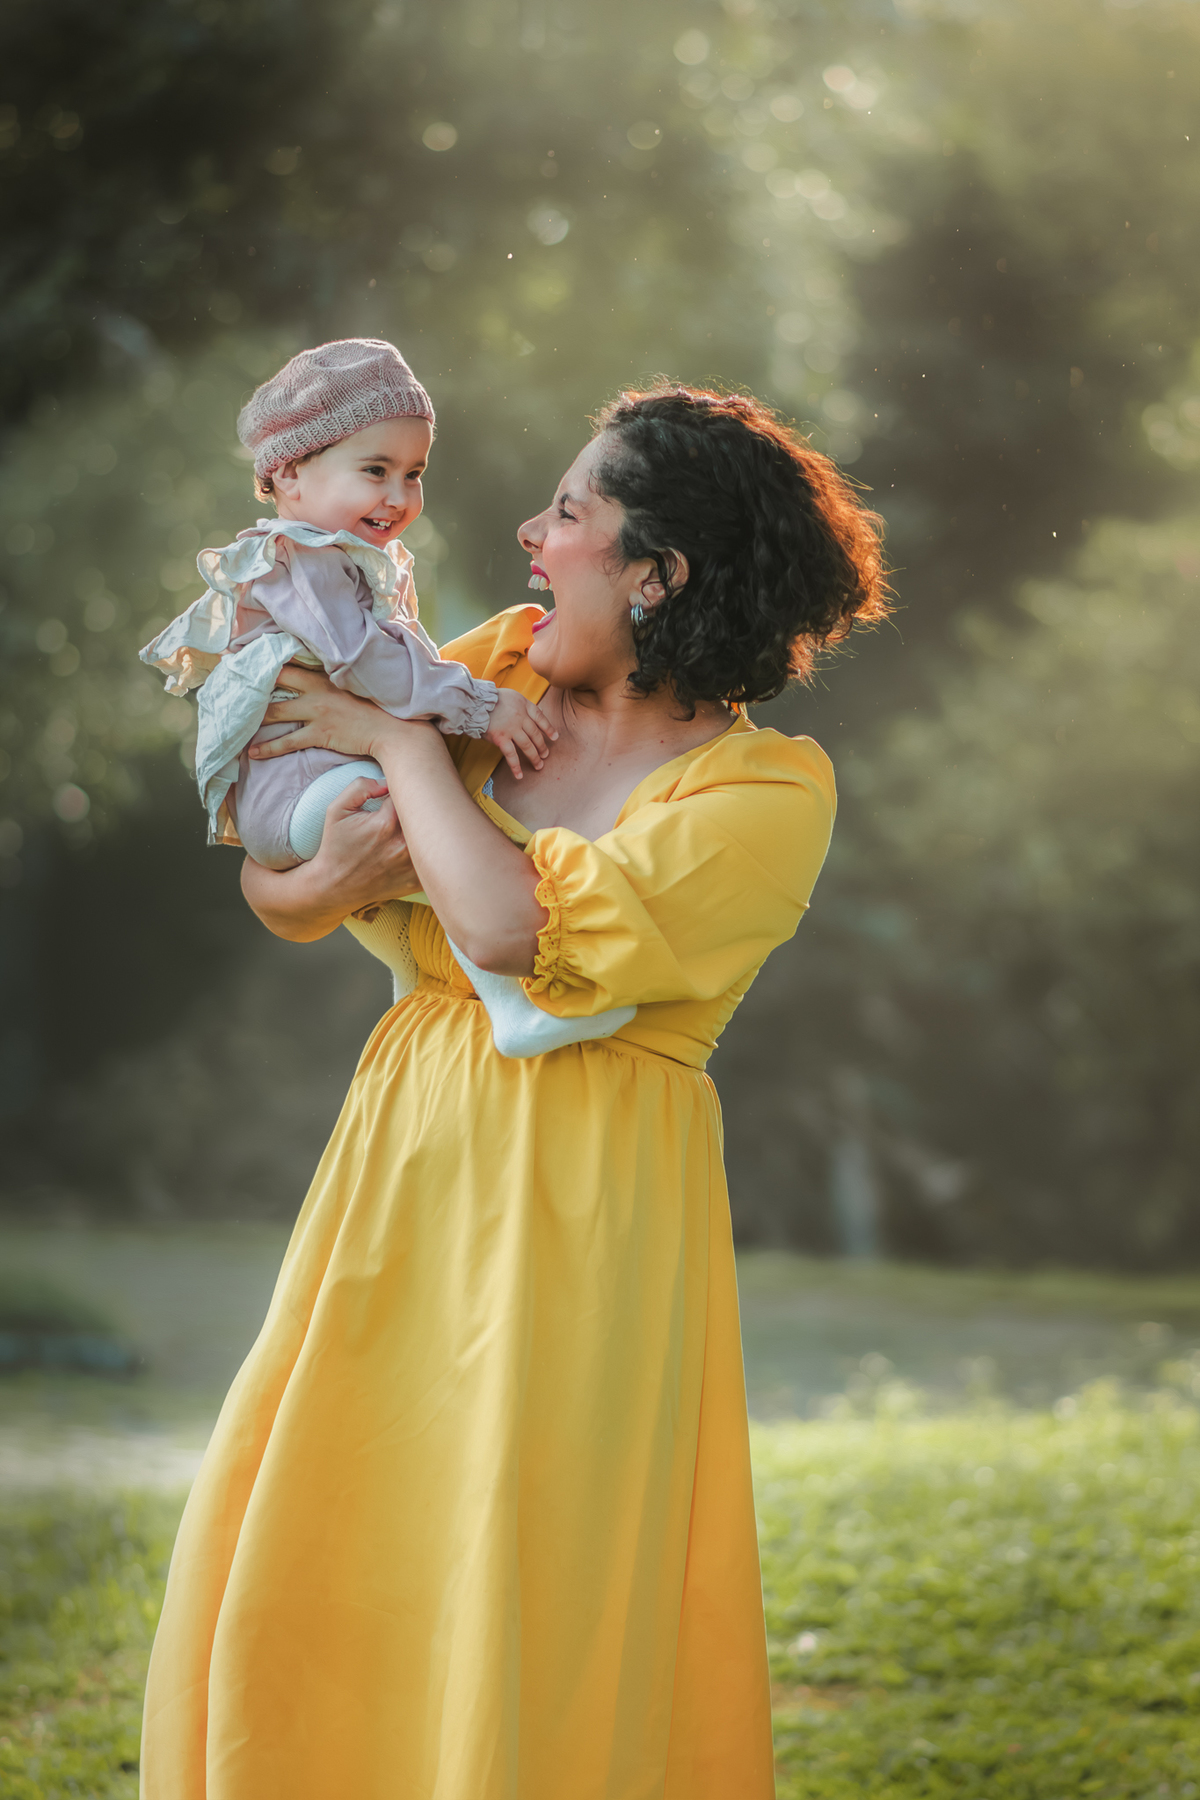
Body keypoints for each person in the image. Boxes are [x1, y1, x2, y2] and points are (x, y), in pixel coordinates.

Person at [139, 383, 889, 1799]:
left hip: (592, 1198)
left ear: (659, 573)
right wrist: (343, 850)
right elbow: (279, 888)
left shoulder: (763, 793)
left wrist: (406, 750)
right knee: (345, 1515)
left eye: (571, 514)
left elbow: (502, 931)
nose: (532, 538)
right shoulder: (495, 670)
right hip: (409, 1147)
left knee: (533, 1551)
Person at [139, 335, 631, 1057]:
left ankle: (413, 979)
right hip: (303, 790)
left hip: (307, 788)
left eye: (413, 472)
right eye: (375, 470)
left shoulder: (340, 558)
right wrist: (476, 705)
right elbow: (366, 661)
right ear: (290, 475)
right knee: (446, 837)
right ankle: (515, 1004)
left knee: (433, 828)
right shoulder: (300, 559)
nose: (398, 496)